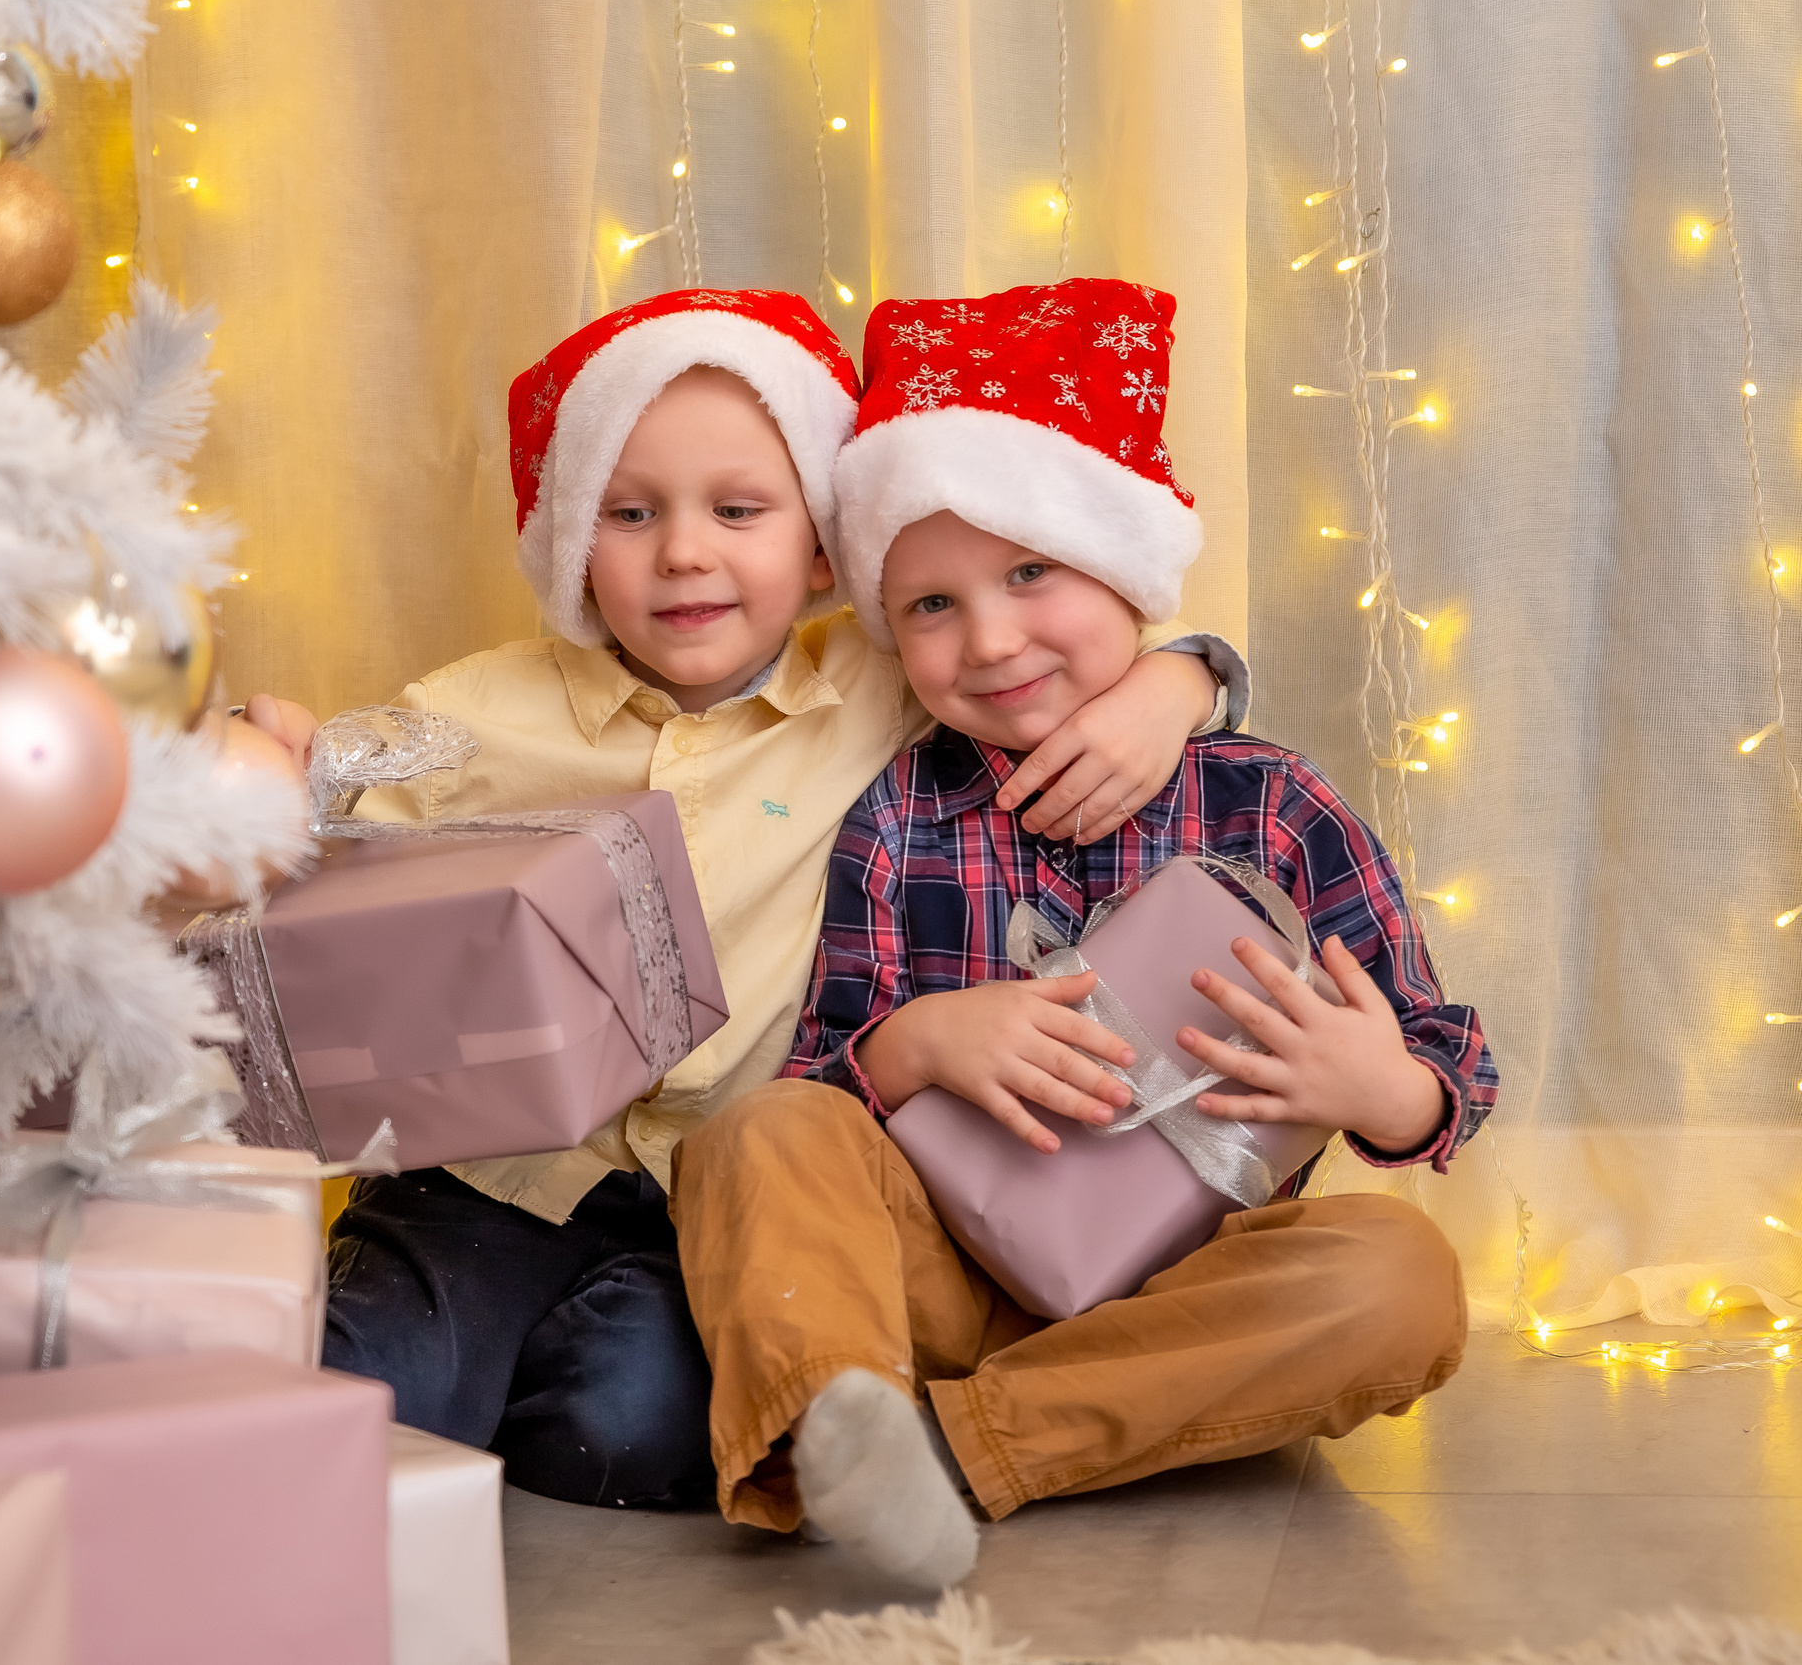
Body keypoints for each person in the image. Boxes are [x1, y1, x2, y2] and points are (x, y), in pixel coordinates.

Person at [251, 288, 1246, 1510]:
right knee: (368, 1395)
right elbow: (330, 832)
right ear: (573, 545)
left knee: (635, 1439)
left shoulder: (881, 686)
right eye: (628, 515)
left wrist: (1180, 682)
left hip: (704, 1205)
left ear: (823, 549)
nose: (683, 552)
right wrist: (275, 772)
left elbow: (1067, 631)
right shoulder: (474, 712)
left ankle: (547, 1377)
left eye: (738, 510)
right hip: (490, 1181)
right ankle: (434, 1350)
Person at [670, 280, 1496, 1585]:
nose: (989, 639)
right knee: (753, 1134)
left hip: (1194, 1291)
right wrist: (923, 1041)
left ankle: (946, 1452)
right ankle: (839, 1406)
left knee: (1401, 1280)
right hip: (936, 1268)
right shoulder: (902, 807)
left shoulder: (1271, 803)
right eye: (930, 604)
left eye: (1030, 570)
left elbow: (1449, 1073)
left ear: (1122, 564)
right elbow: (824, 1089)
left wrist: (1376, 1085)